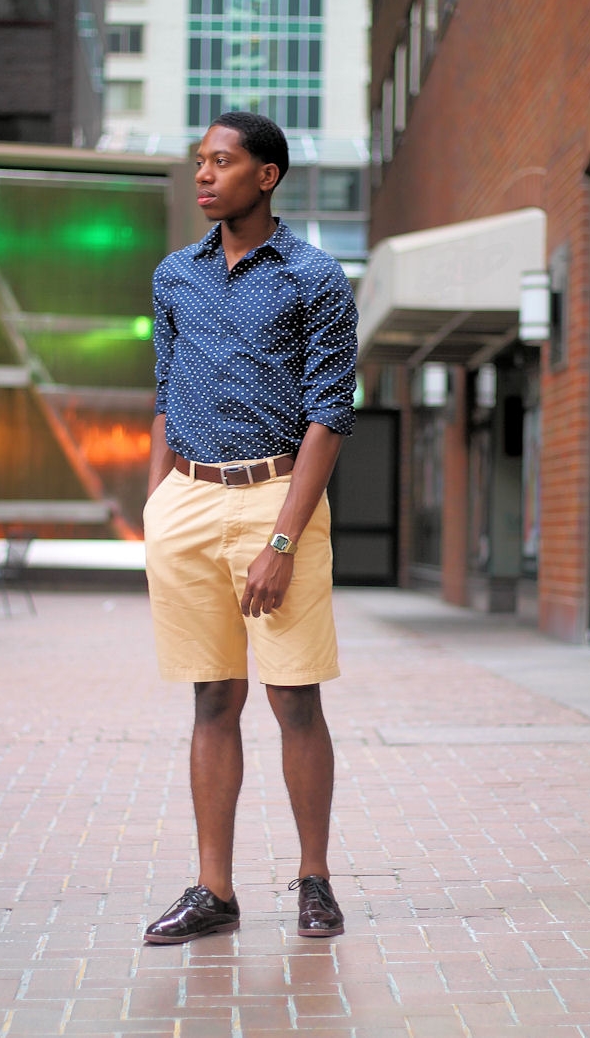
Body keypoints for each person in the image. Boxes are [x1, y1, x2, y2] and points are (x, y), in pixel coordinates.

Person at [142, 111, 358, 945]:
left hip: (278, 496)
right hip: (188, 500)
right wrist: (156, 509)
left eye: (222, 162)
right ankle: (215, 890)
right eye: (200, 161)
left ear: (266, 176)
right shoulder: (174, 276)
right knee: (211, 697)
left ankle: (315, 880)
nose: (204, 174)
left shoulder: (315, 277)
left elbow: (329, 414)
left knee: (293, 696)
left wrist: (282, 542)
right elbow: (165, 396)